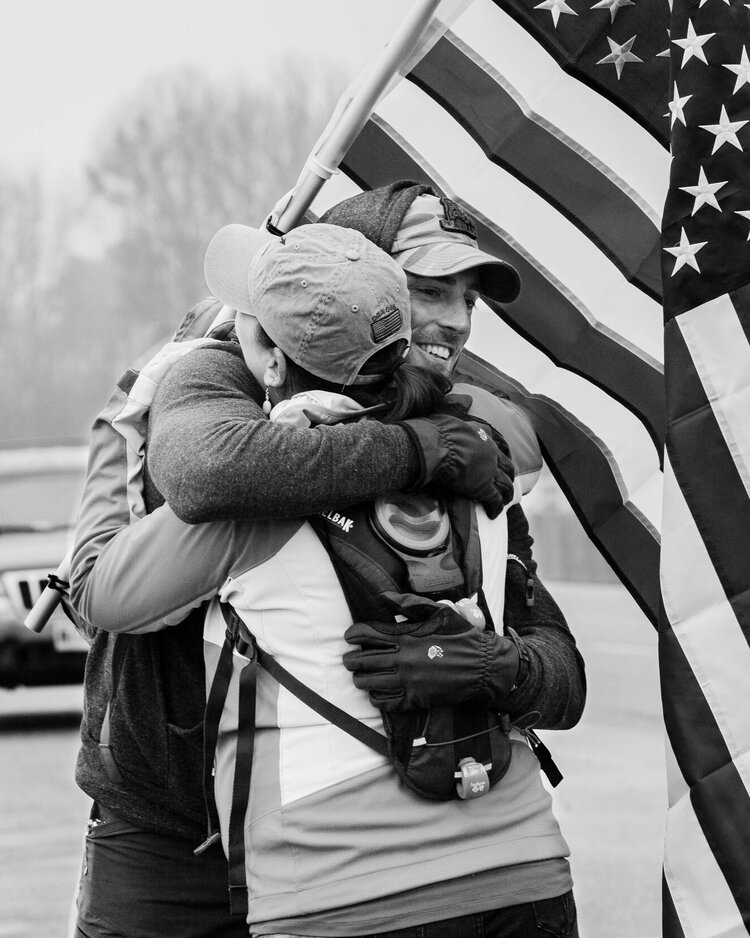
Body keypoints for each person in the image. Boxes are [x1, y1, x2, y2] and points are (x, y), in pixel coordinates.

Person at [69, 183, 579, 937]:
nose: (455, 321)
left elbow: (561, 669)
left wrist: (500, 669)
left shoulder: (473, 445)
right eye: (429, 290)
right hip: (172, 828)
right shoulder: (212, 381)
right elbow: (212, 472)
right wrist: (412, 450)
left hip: (348, 864)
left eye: (469, 298)